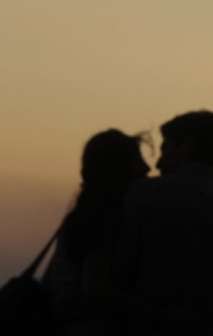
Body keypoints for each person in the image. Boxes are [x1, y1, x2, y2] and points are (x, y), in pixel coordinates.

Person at [116, 110, 213, 336]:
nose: (158, 162)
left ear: (188, 146)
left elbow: (120, 275)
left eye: (166, 149)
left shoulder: (144, 195)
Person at [42, 129, 150, 335]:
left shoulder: (85, 216)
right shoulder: (101, 219)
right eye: (138, 160)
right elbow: (96, 290)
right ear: (116, 170)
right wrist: (158, 315)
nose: (147, 168)